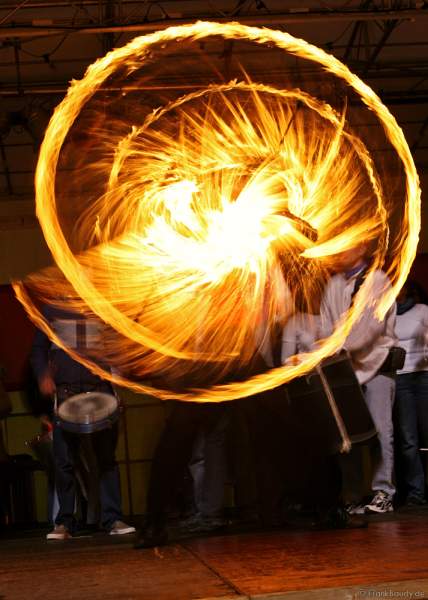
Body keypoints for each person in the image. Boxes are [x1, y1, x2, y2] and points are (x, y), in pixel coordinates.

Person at [30, 304, 135, 540]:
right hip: (66, 394)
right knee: (64, 461)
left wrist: (118, 388)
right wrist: (43, 376)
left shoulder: (101, 308)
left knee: (106, 459)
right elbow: (38, 350)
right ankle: (65, 522)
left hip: (100, 391)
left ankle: (113, 518)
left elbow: (116, 350)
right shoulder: (50, 310)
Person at [320, 243, 397, 514]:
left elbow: (370, 328)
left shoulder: (376, 280)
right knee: (349, 436)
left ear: (361, 247)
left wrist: (336, 345)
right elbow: (326, 324)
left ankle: (382, 492)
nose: (338, 251)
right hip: (345, 369)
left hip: (376, 364)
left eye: (346, 245)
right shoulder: (334, 286)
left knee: (380, 430)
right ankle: (352, 494)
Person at [393, 280, 428, 506]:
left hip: (424, 375)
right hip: (400, 378)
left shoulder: (422, 310)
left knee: (426, 433)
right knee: (408, 440)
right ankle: (416, 493)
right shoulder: (384, 315)